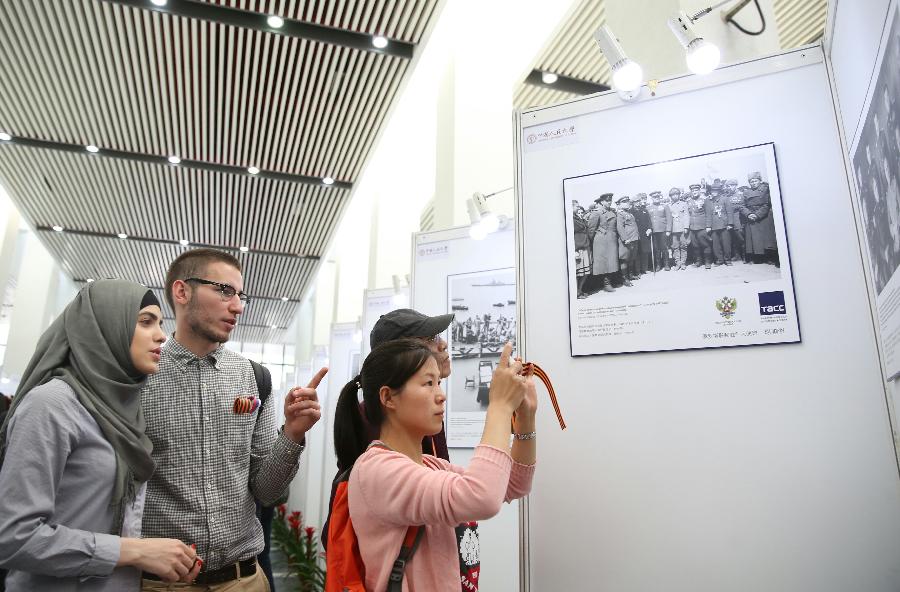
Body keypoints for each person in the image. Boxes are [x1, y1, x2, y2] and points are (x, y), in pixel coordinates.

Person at [140, 248, 325, 591]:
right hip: (162, 584)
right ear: (182, 292)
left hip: (243, 580)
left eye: (241, 295)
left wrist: (293, 435)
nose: (238, 306)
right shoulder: (141, 377)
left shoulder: (255, 378)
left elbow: (268, 492)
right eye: (224, 291)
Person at [0, 280, 201, 591]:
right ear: (107, 327)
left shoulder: (124, 410)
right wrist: (135, 551)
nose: (161, 335)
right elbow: (13, 537)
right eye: (146, 322)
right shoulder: (52, 405)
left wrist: (162, 559)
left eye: (160, 324)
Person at [333, 339, 535, 592]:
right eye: (428, 383)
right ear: (388, 398)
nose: (441, 395)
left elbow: (514, 484)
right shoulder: (376, 470)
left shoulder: (430, 465)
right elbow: (482, 497)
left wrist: (525, 418)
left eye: (438, 382)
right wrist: (501, 407)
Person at [740, 172, 779, 266]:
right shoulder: (746, 192)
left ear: (760, 181)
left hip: (763, 217)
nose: (753, 183)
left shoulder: (765, 189)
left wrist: (757, 215)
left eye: (755, 181)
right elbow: (741, 205)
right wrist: (749, 214)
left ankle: (769, 257)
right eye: (751, 181)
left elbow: (767, 204)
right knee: (754, 240)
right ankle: (757, 258)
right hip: (750, 217)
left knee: (767, 239)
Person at [588, 193, 619, 293]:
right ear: (601, 202)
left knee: (611, 261)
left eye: (610, 200)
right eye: (607, 201)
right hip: (601, 240)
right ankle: (606, 284)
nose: (609, 202)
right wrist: (593, 240)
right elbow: (591, 229)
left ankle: (611, 281)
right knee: (604, 262)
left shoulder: (612, 211)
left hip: (612, 239)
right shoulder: (597, 212)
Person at [687, 183, 713, 269]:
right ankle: (698, 261)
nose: (694, 192)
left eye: (696, 190)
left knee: (705, 244)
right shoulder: (689, 201)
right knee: (695, 245)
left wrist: (708, 226)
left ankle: (707, 261)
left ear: (699, 191)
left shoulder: (705, 199)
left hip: (702, 226)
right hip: (692, 227)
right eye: (693, 190)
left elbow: (708, 213)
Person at [707, 182, 734, 266]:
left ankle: (727, 260)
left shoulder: (725, 199)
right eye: (712, 191)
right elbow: (708, 214)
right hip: (714, 226)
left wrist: (730, 224)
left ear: (719, 191)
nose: (714, 192)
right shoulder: (709, 201)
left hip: (724, 225)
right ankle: (719, 260)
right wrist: (708, 226)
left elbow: (730, 212)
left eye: (716, 191)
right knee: (716, 245)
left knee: (726, 244)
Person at [615, 196, 640, 285]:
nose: (627, 203)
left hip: (633, 238)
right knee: (624, 259)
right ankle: (625, 279)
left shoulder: (629, 213)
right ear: (619, 204)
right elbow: (620, 227)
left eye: (628, 201)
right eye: (624, 202)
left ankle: (631, 275)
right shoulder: (620, 214)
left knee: (631, 258)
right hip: (627, 240)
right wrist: (625, 239)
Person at [647, 190, 672, 271]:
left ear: (660, 197)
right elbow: (648, 220)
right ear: (652, 198)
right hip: (654, 231)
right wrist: (649, 229)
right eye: (654, 197)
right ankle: (658, 265)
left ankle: (667, 264)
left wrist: (668, 230)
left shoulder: (665, 206)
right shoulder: (648, 208)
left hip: (663, 230)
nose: (656, 198)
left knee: (664, 248)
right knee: (656, 249)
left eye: (658, 197)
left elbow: (669, 219)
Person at [573, 203, 593, 297]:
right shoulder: (571, 219)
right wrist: (574, 250)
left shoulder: (580, 219)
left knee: (585, 272)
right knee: (578, 272)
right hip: (578, 248)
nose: (578, 208)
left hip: (585, 246)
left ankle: (579, 290)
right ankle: (577, 292)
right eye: (577, 206)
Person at [668, 187, 690, 271]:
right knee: (675, 247)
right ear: (670, 196)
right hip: (673, 230)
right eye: (673, 195)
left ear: (679, 195)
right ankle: (678, 263)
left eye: (676, 194)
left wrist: (686, 227)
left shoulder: (683, 204)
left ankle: (683, 263)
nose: (675, 196)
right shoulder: (669, 206)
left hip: (682, 229)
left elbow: (686, 216)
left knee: (683, 246)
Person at [632, 194, 652, 275]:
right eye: (636, 202)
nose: (637, 203)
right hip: (635, 235)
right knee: (637, 253)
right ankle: (637, 270)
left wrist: (650, 228)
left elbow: (649, 221)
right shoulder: (630, 212)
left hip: (644, 234)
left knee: (645, 252)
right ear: (633, 203)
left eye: (638, 201)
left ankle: (645, 268)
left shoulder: (644, 210)